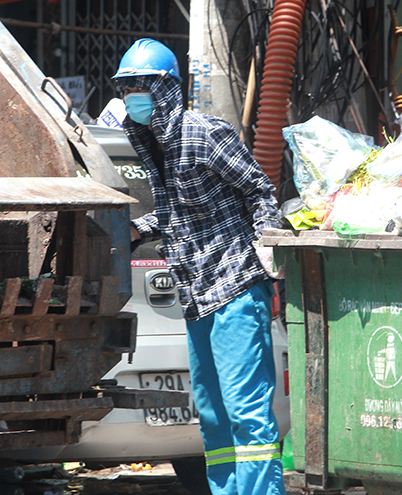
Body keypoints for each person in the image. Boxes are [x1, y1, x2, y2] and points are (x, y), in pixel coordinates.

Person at [110, 38, 285, 495]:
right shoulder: (157, 148)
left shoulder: (205, 133)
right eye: (126, 90)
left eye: (140, 88)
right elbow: (178, 213)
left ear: (165, 90)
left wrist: (266, 247)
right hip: (196, 299)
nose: (133, 98)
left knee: (248, 414)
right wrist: (137, 230)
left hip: (234, 289)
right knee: (212, 416)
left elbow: (260, 190)